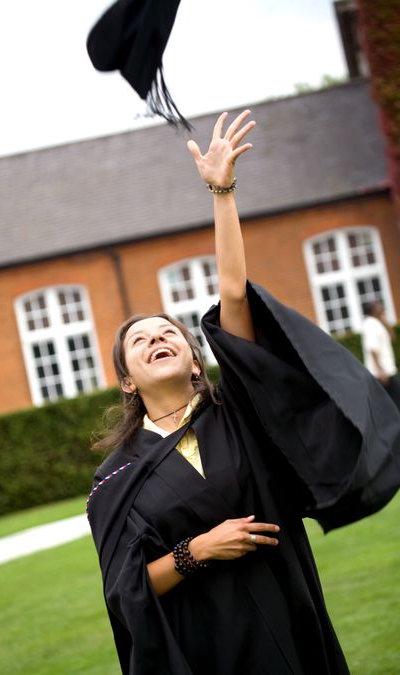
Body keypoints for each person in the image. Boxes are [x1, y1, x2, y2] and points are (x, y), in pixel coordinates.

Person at [87, 111, 400, 675]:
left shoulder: (238, 414)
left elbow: (233, 292)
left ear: (193, 356)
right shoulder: (116, 476)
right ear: (128, 380)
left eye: (169, 332)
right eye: (140, 340)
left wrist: (221, 191)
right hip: (208, 642)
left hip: (286, 607)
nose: (158, 337)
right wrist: (196, 551)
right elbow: (125, 589)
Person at [361, 301, 400, 409]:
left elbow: (392, 337)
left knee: (391, 404)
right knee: (392, 403)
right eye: (377, 305)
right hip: (381, 373)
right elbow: (372, 349)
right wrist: (380, 370)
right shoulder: (370, 324)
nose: (381, 306)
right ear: (372, 309)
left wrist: (384, 320)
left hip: (387, 371)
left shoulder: (378, 322)